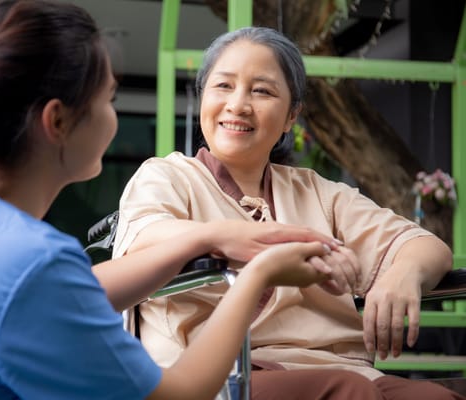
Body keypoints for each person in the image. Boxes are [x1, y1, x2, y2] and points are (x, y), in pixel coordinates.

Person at [0, 1, 353, 399]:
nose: (113, 118)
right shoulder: (32, 262)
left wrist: (209, 234)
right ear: (57, 122)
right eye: (109, 99)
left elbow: (77, 292)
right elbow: (178, 395)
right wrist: (262, 274)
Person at [112, 26, 464, 399]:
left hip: (341, 368)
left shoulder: (319, 193)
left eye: (261, 90)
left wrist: (403, 273)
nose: (238, 104)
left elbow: (424, 245)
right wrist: (242, 241)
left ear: (291, 115)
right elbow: (144, 238)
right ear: (202, 98)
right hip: (222, 373)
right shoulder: (168, 176)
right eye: (223, 86)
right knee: (347, 391)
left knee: (434, 397)